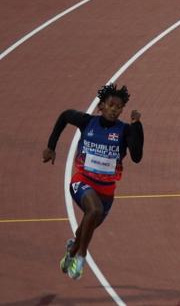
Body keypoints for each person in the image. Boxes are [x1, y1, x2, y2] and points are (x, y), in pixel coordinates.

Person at [43, 83, 144, 279]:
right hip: (82, 179)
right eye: (111, 105)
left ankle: (71, 252)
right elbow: (65, 116)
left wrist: (137, 126)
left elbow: (137, 157)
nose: (114, 110)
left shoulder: (125, 130)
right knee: (94, 210)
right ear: (101, 106)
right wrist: (51, 146)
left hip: (106, 190)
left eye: (119, 107)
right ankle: (81, 257)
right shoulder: (87, 122)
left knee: (86, 228)